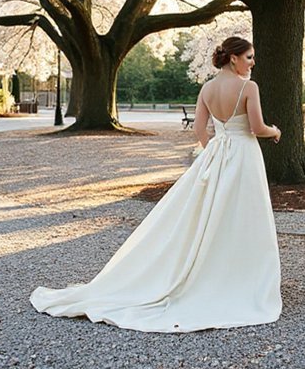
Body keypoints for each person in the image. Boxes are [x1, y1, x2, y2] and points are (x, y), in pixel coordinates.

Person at [30, 36, 283, 332]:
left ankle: (206, 273)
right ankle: (240, 277)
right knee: (242, 214)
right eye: (250, 57)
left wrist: (214, 151)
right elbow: (257, 127)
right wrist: (275, 131)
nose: (253, 63)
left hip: (215, 156)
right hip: (243, 156)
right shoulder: (248, 87)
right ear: (234, 58)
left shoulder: (207, 88)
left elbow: (201, 129)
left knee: (206, 215)